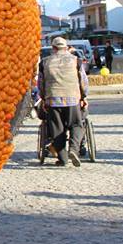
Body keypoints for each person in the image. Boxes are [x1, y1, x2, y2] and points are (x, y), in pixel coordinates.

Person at [38, 36, 89, 167]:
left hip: (53, 100)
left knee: (57, 129)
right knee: (77, 125)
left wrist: (44, 99)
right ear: (66, 47)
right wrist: (83, 97)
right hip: (72, 98)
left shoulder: (45, 62)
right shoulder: (76, 60)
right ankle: (74, 149)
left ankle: (63, 159)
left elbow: (41, 84)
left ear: (53, 48)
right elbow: (83, 80)